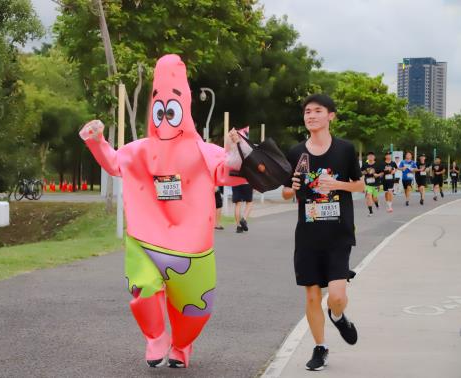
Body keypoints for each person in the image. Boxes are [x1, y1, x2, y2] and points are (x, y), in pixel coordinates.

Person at [79, 55, 247, 369]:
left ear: (184, 110)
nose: (166, 118)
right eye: (160, 108)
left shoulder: (203, 151)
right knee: (143, 288)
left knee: (195, 308)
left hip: (192, 247)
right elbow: (115, 162)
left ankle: (181, 346)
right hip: (147, 238)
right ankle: (156, 337)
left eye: (172, 109)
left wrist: (237, 148)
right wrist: (96, 139)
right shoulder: (140, 149)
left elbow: (229, 170)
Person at [282, 94, 364, 371]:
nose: (311, 115)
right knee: (312, 295)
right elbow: (285, 192)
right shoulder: (296, 153)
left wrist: (337, 184)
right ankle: (320, 347)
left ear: (331, 116)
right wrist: (291, 187)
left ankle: (338, 317)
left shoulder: (345, 149)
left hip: (338, 233)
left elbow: (360, 185)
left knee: (337, 296)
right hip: (308, 234)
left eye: (318, 111)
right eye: (307, 111)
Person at [362, 152, 381, 216]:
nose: (370, 157)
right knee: (368, 196)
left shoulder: (377, 164)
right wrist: (364, 172)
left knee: (374, 197)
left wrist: (377, 175)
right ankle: (371, 212)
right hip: (368, 184)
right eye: (369, 156)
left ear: (374, 157)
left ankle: (377, 204)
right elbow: (361, 172)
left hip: (376, 184)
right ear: (367, 157)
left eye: (372, 156)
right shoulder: (365, 165)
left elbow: (382, 173)